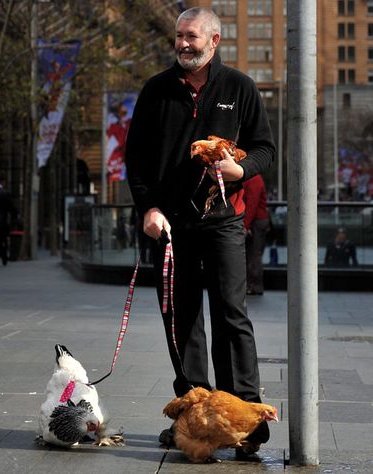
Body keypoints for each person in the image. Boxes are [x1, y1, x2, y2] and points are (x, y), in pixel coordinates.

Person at [125, 7, 275, 457]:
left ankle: (245, 423)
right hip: (169, 227)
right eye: (179, 37)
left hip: (225, 221)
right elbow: (135, 159)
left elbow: (266, 148)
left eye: (192, 37)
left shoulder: (240, 88)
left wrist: (240, 167)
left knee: (232, 317)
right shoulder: (155, 90)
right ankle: (193, 420)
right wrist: (148, 208)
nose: (183, 45)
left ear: (214, 40)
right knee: (182, 321)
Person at [243, 175, 270, 295]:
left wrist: (245, 225)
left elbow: (252, 204)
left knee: (254, 255)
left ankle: (254, 286)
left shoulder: (254, 179)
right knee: (252, 255)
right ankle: (252, 285)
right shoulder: (255, 178)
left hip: (256, 222)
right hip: (256, 221)